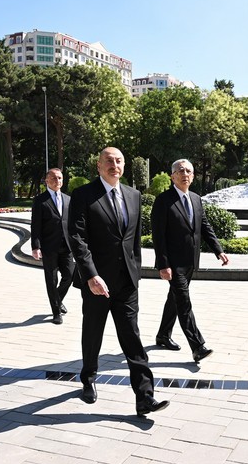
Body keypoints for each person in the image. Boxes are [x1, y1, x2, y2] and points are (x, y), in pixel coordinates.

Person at [67, 147, 169, 417]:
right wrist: (90, 274)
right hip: (96, 283)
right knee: (93, 334)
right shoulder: (83, 195)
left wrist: (135, 272)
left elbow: (132, 240)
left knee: (132, 339)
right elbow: (77, 238)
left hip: (125, 283)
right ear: (99, 166)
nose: (115, 165)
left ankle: (145, 397)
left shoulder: (134, 196)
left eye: (119, 161)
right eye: (109, 161)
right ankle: (88, 377)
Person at [151, 159, 229, 363]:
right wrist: (163, 264)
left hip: (191, 262)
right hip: (173, 264)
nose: (185, 174)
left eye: (189, 171)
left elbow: (204, 226)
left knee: (175, 299)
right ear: (172, 176)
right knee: (184, 303)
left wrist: (218, 250)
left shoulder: (195, 198)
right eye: (180, 171)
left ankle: (162, 335)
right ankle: (198, 346)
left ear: (193, 176)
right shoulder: (163, 200)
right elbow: (158, 236)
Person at [30, 168, 75, 325]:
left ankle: (57, 299)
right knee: (52, 279)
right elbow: (35, 225)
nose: (58, 181)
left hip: (67, 246)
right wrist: (36, 247)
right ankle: (56, 312)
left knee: (69, 276)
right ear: (47, 181)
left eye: (60, 178)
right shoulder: (40, 200)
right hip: (49, 247)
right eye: (54, 178)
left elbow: (72, 224)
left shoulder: (68, 199)